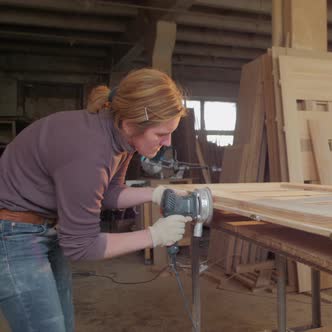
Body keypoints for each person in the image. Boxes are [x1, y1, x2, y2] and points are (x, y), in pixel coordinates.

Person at [0, 68, 191, 332]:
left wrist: (155, 193)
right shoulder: (90, 149)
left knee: (63, 325)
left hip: (42, 225)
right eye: (161, 134)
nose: (167, 142)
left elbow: (109, 192)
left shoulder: (121, 140)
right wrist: (153, 236)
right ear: (132, 121)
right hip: (11, 233)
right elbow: (81, 245)